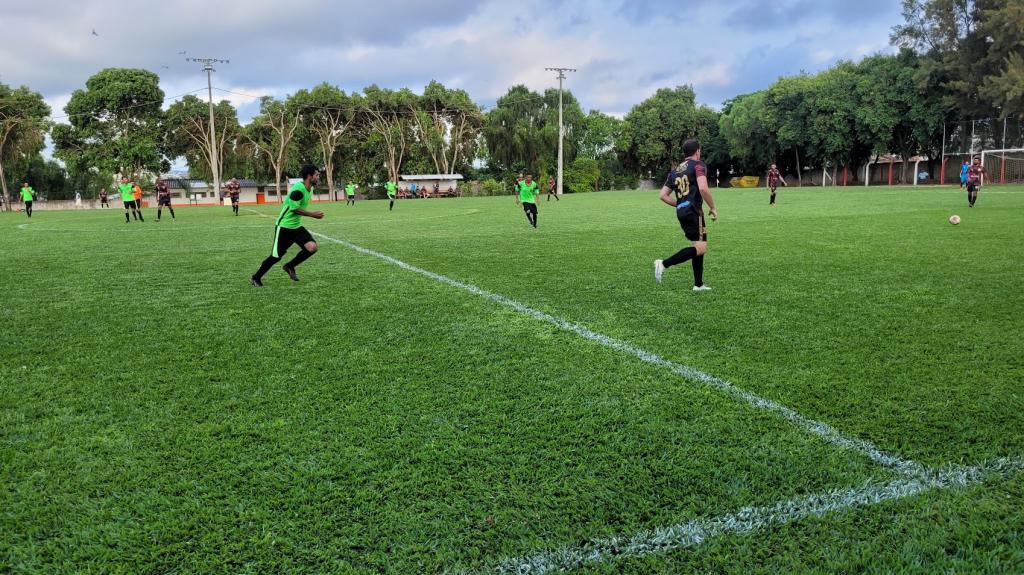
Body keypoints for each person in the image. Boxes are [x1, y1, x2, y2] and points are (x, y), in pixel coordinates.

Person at [654, 138, 718, 292]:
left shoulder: (675, 171)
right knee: (701, 248)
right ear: (697, 151)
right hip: (694, 211)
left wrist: (681, 203)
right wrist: (713, 207)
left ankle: (698, 284)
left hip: (682, 211)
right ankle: (663, 264)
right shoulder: (698, 164)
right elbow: (703, 188)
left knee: (698, 244)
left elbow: (663, 195)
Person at [251, 164, 324, 287]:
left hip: (296, 227)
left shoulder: (310, 188)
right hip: (284, 227)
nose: (318, 177)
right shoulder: (298, 190)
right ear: (309, 176)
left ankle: (290, 266)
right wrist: (312, 214)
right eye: (316, 175)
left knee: (312, 247)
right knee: (276, 257)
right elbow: (294, 209)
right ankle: (255, 277)